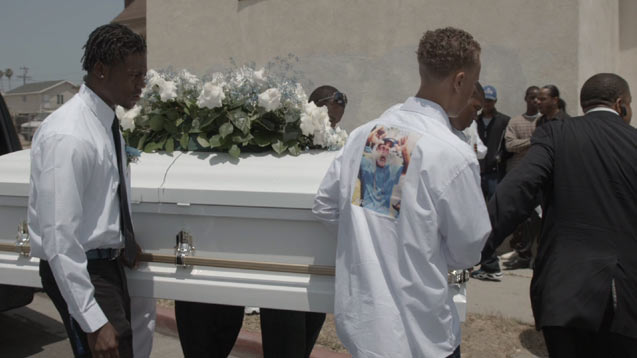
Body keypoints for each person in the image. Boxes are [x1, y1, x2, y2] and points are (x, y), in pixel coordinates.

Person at [313, 27, 490, 358]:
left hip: (364, 328)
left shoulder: (363, 135)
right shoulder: (452, 154)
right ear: (460, 80)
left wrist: (364, 242)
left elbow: (325, 206)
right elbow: (468, 249)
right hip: (421, 335)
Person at [174, 86, 349, 358]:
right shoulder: (288, 146)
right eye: (330, 119)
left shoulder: (333, 152)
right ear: (313, 110)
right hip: (280, 267)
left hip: (313, 267)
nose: (333, 127)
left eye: (337, 122)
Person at [482, 73, 637, 357]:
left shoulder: (557, 133)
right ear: (621, 104)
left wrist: (476, 246)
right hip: (626, 300)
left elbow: (518, 189)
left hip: (564, 293)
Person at [27, 24, 147, 358]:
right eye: (133, 75)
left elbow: (103, 195)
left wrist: (122, 237)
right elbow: (59, 236)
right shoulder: (69, 135)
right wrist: (93, 320)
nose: (141, 86)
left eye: (144, 76)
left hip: (105, 266)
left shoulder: (105, 124)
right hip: (83, 269)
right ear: (100, 70)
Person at [472, 84, 511, 281]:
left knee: (491, 217)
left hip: (494, 174)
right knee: (477, 216)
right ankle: (483, 262)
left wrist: (499, 157)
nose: (486, 105)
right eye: (484, 101)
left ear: (495, 102)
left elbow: (507, 147)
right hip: (478, 173)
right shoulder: (474, 120)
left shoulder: (503, 121)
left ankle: (490, 264)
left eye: (490, 101)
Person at [502, 86, 542, 270]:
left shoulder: (544, 121)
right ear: (526, 99)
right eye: (532, 97)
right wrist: (532, 141)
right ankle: (521, 253)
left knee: (539, 217)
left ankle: (538, 254)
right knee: (519, 217)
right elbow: (510, 145)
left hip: (541, 176)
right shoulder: (516, 121)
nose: (535, 101)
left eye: (538, 98)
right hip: (518, 176)